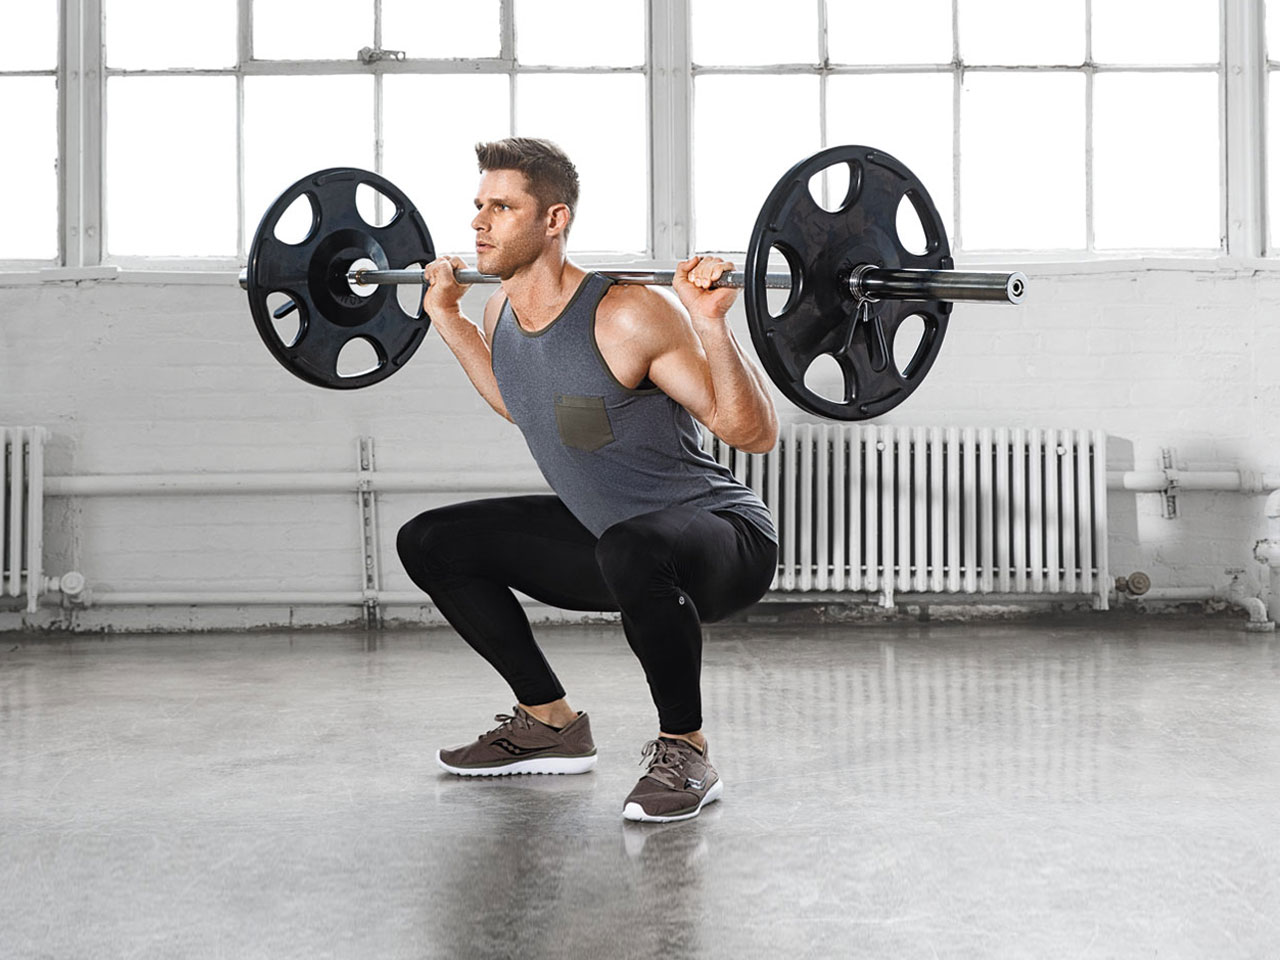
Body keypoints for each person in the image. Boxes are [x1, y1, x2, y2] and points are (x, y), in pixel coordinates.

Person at [396, 137, 779, 823]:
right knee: (429, 541)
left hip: (724, 540)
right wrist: (448, 321)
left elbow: (752, 435)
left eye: (503, 207)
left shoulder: (626, 313)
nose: (479, 223)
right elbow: (524, 405)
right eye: (479, 206)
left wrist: (712, 324)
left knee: (633, 547)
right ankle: (550, 723)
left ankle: (686, 750)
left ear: (554, 220)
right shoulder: (500, 314)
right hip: (612, 541)